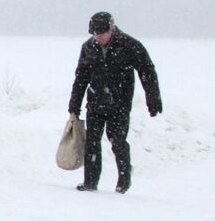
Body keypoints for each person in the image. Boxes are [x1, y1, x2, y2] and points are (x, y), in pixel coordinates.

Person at [67, 11, 162, 194]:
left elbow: (147, 71)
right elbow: (81, 78)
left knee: (117, 141)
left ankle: (123, 181)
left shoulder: (129, 45)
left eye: (101, 33)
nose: (97, 37)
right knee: (92, 142)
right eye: (94, 33)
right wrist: (74, 105)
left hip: (119, 104)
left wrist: (153, 98)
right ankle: (90, 182)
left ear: (111, 29)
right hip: (95, 102)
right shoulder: (88, 48)